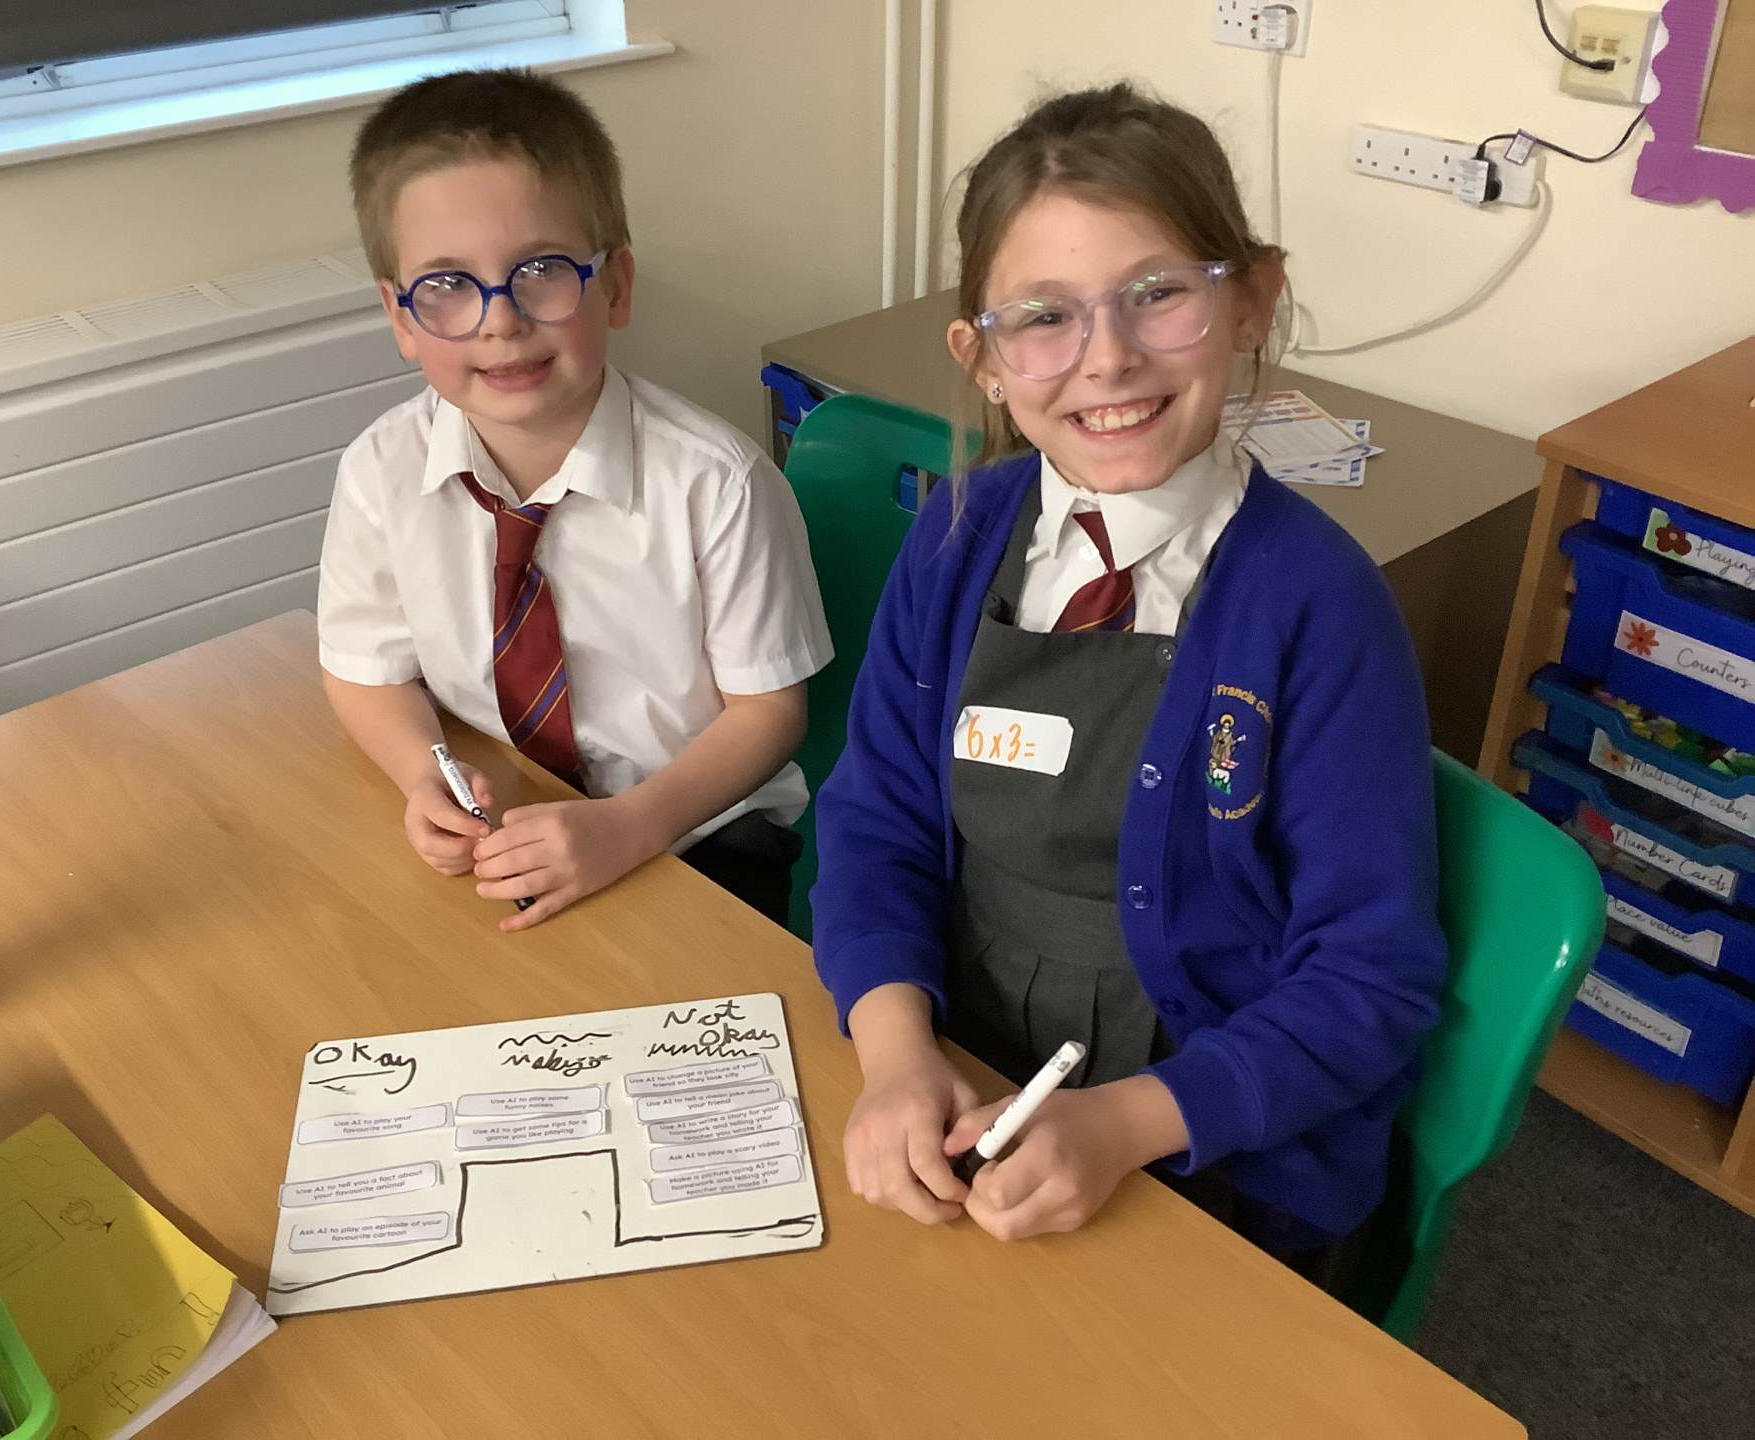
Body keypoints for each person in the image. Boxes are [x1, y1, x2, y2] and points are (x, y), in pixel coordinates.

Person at [811, 83, 1447, 1280]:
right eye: (1043, 316)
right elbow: (876, 817)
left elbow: (1370, 976)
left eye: (1158, 294)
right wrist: (897, 1054)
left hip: (1216, 1138)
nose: (1106, 357)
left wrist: (1123, 1124)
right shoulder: (956, 534)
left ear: (1252, 300)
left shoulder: (1319, 605)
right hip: (969, 1074)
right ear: (983, 358)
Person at [319, 69, 831, 930]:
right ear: (399, 317)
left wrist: (629, 828)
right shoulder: (380, 469)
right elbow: (365, 671)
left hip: (696, 832)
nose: (500, 320)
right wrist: (423, 775)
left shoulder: (720, 484)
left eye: (541, 271)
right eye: (446, 287)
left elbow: (769, 714)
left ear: (615, 286)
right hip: (503, 813)